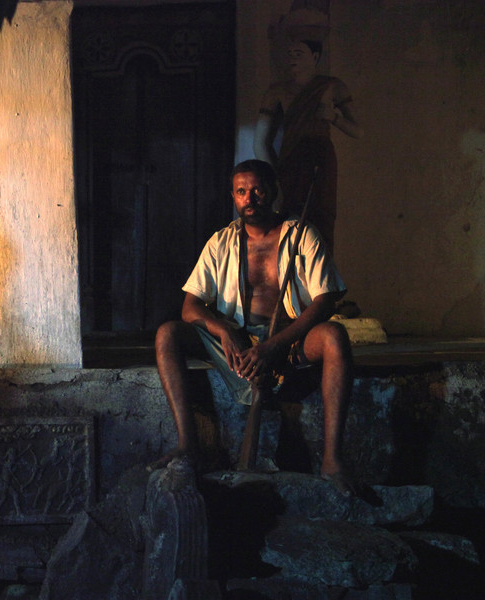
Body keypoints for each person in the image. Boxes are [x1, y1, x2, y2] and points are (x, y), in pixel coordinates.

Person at [152, 159, 359, 497]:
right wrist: (223, 331)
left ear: (273, 191)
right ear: (233, 197)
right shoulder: (221, 242)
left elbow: (325, 301)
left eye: (258, 190)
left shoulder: (301, 234)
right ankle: (188, 446)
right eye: (241, 191)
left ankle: (332, 461)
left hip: (289, 338)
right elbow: (190, 307)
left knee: (335, 336)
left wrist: (274, 346)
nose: (250, 198)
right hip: (236, 341)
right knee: (168, 334)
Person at [253, 38, 363, 251]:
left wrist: (333, 117)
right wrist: (275, 180)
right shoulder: (277, 92)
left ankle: (321, 268)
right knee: (290, 221)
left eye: (299, 54)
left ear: (315, 57)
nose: (292, 59)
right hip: (291, 161)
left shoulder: (331, 87)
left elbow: (358, 131)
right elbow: (260, 143)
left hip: (320, 161)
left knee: (321, 220)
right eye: (290, 54)